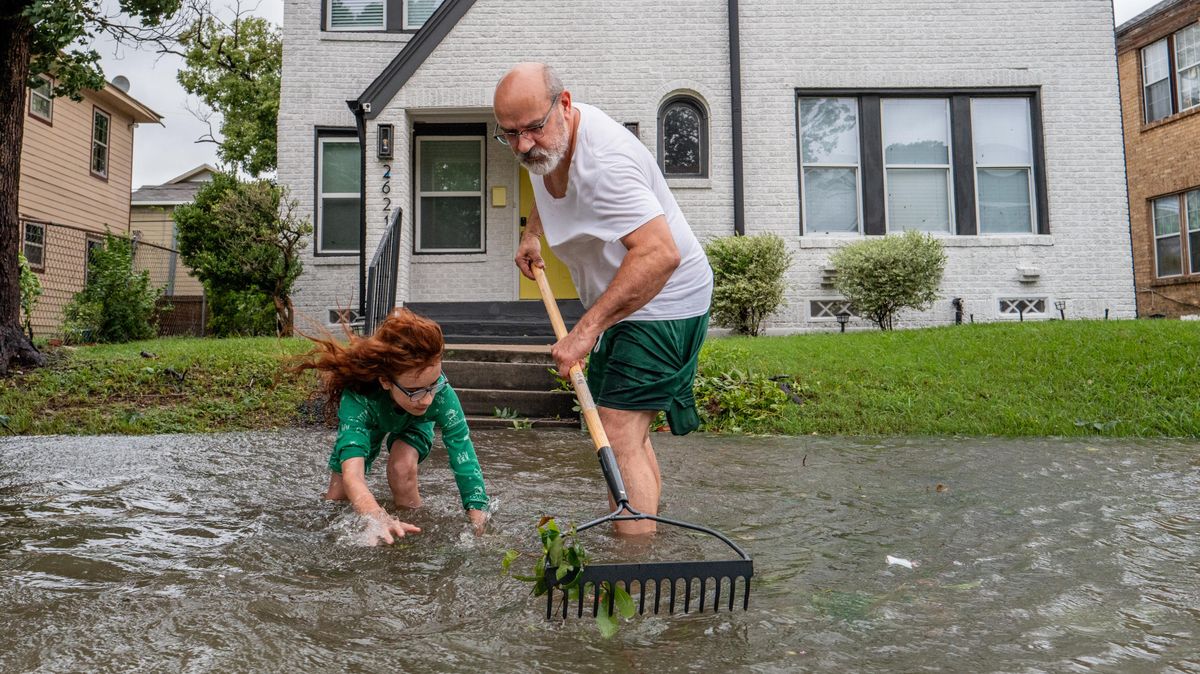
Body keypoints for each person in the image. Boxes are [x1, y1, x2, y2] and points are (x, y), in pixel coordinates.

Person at [493, 63, 713, 536]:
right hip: (624, 302)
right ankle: (645, 541)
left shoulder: (606, 163)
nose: (524, 144)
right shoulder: (544, 146)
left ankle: (632, 570)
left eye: (533, 128)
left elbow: (659, 254)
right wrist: (534, 233)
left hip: (664, 300)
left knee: (615, 432)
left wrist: (585, 332)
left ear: (565, 105)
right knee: (629, 434)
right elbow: (542, 178)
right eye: (509, 134)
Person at [296, 309, 489, 544]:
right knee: (337, 497)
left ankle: (411, 536)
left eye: (433, 384)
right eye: (416, 391)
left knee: (402, 467)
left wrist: (478, 520)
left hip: (415, 424)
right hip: (372, 420)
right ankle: (377, 531)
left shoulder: (439, 396)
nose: (427, 400)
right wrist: (376, 516)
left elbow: (464, 458)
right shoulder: (359, 397)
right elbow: (353, 474)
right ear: (386, 381)